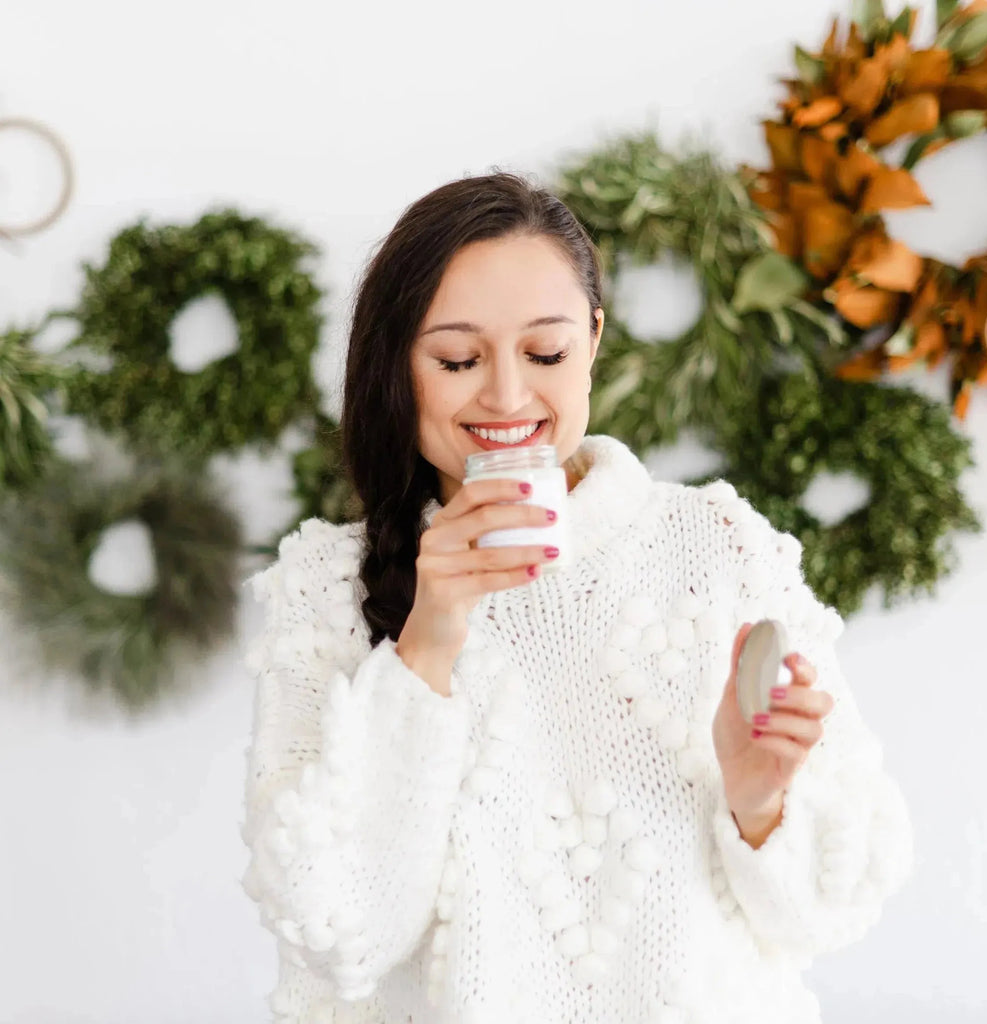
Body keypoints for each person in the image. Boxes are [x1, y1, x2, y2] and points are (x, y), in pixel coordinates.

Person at [239, 171, 914, 1024]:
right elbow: (340, 933)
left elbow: (835, 902)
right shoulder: (327, 587)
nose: (508, 397)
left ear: (593, 342)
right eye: (456, 359)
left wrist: (759, 804)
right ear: (397, 364)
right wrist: (428, 641)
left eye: (545, 353)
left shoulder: (717, 547)